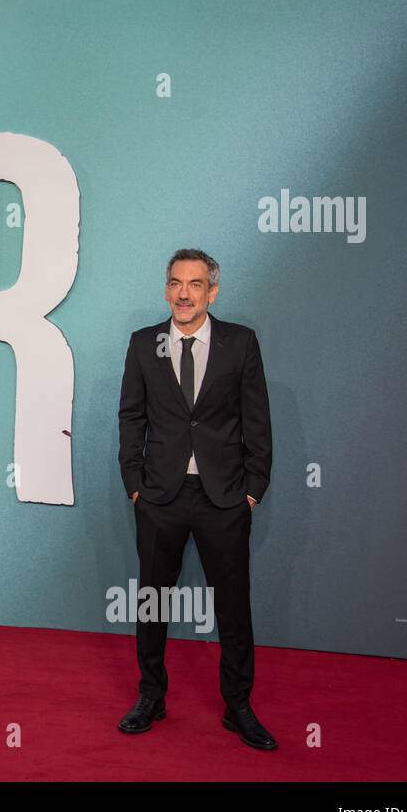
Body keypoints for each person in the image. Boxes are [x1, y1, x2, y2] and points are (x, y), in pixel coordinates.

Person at [116, 248, 277, 750]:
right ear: (167, 289)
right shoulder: (145, 344)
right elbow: (131, 418)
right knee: (152, 601)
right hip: (160, 495)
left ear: (213, 291)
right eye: (176, 283)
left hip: (224, 497)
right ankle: (151, 696)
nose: (184, 293)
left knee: (233, 606)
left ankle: (239, 707)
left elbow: (257, 421)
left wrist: (252, 491)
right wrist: (135, 484)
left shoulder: (240, 344)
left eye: (195, 284)